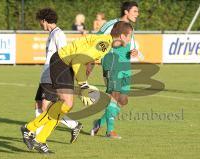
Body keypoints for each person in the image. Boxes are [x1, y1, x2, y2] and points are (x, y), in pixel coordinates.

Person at [21, 21, 134, 154]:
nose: (130, 38)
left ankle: (39, 138)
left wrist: (83, 83)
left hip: (66, 64)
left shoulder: (105, 42)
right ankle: (29, 129)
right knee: (66, 103)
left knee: (66, 105)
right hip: (62, 62)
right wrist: (83, 85)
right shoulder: (104, 45)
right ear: (122, 36)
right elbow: (78, 60)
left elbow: (82, 60)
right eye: (129, 35)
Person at [20, 8, 83, 150]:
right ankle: (37, 137)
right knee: (39, 105)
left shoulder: (59, 34)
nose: (40, 25)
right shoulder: (52, 34)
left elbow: (64, 56)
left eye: (40, 22)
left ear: (44, 20)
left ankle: (37, 138)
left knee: (46, 108)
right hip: (45, 76)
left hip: (52, 77)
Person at [90, 1, 139, 139]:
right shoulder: (111, 24)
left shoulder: (130, 28)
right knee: (115, 95)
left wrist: (134, 51)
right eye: (135, 11)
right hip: (112, 61)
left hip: (125, 64)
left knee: (123, 100)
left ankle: (99, 122)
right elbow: (97, 38)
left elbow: (129, 45)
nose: (137, 14)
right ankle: (110, 131)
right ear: (126, 12)